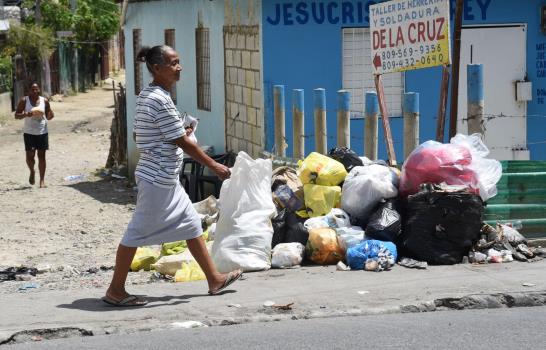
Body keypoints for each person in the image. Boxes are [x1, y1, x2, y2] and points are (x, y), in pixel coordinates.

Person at [103, 45, 242, 307]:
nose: (179, 68)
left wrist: (181, 132)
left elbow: (141, 134)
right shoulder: (158, 99)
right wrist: (215, 165)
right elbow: (181, 142)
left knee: (191, 225)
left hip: (165, 177)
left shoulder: (149, 95)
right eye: (173, 63)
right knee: (135, 234)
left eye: (179, 62)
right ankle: (115, 290)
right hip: (157, 179)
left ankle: (214, 279)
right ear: (157, 68)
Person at [14, 83, 54, 188]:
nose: (35, 91)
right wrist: (25, 114)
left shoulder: (44, 101)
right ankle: (32, 171)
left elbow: (49, 115)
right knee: (30, 156)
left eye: (36, 89)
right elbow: (16, 115)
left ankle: (42, 181)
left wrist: (50, 115)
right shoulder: (24, 101)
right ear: (29, 91)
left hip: (42, 131)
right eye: (33, 89)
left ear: (39, 90)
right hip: (29, 132)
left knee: (42, 156)